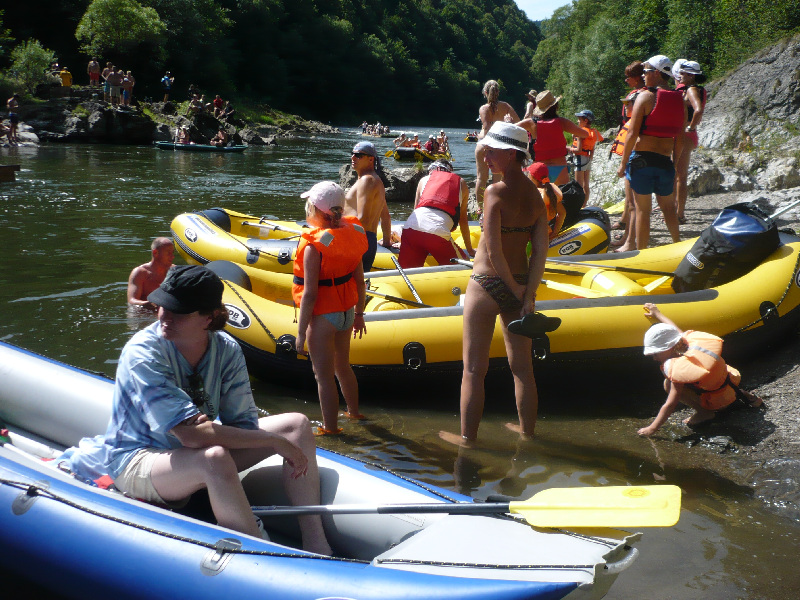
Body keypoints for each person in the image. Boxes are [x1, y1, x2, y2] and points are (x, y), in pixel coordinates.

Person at [62, 265, 331, 553]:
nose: (164, 315)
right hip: (137, 458)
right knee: (212, 457)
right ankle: (261, 553)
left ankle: (316, 542)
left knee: (297, 426)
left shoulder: (226, 349)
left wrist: (269, 438)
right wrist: (272, 442)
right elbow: (191, 436)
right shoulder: (142, 353)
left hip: (191, 453)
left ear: (209, 317)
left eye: (178, 311)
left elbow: (241, 426)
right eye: (163, 305)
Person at [440, 122, 549, 446]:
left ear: (513, 153)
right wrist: (527, 292)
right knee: (523, 370)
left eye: (492, 149)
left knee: (473, 369)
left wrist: (516, 291)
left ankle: (467, 440)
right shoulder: (536, 197)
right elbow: (540, 251)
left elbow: (492, 249)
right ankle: (527, 434)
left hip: (487, 282)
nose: (485, 154)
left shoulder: (494, 192)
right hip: (519, 284)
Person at [293, 182, 368, 435]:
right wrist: (359, 314)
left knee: (323, 377)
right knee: (343, 367)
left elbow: (310, 294)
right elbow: (359, 281)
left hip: (325, 317)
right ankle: (355, 413)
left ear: (316, 210)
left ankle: (330, 429)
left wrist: (301, 332)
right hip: (347, 312)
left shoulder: (314, 246)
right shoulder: (353, 234)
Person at [639, 303, 764, 436]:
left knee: (667, 384)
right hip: (731, 383)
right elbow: (674, 330)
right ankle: (746, 396)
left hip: (720, 402)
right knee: (715, 382)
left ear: (669, 348)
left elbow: (670, 404)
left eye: (655, 353)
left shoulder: (679, 368)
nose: (654, 358)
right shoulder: (685, 343)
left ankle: (705, 413)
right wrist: (657, 314)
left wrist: (652, 428)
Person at [616, 55, 685, 250]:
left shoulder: (645, 97)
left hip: (642, 162)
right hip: (664, 162)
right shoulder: (679, 100)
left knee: (642, 211)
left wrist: (622, 164)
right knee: (669, 209)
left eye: (646, 71)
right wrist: (674, 163)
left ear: (656, 73)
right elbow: (680, 138)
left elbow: (631, 133)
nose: (643, 75)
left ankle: (641, 253)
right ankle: (677, 246)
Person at [398, 159, 475, 268]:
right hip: (437, 232)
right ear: (450, 171)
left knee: (406, 273)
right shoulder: (461, 183)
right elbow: (463, 220)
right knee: (464, 266)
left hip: (410, 229)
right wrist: (470, 250)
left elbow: (415, 211)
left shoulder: (423, 180)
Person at [610, 61, 647, 251]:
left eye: (629, 77)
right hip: (641, 147)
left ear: (639, 77)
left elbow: (631, 124)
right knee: (632, 200)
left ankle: (630, 242)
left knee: (632, 200)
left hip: (634, 149)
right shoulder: (650, 94)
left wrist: (623, 161)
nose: (626, 80)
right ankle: (627, 235)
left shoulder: (638, 96)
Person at [344, 141, 392, 273]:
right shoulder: (375, 180)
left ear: (371, 159)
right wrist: (387, 242)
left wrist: (335, 231)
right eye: (352, 154)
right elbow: (385, 216)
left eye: (359, 155)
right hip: (367, 240)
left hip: (357, 240)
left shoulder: (367, 180)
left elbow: (363, 219)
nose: (353, 158)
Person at [475, 80, 520, 212]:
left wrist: (479, 136)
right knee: (498, 177)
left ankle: (480, 208)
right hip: (498, 146)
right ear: (498, 92)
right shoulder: (505, 106)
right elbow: (518, 122)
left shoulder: (483, 108)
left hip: (483, 144)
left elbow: (486, 128)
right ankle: (497, 206)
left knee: (481, 178)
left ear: (485, 92)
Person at [527, 90, 587, 186]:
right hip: (559, 167)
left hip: (539, 169)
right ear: (555, 106)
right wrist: (576, 136)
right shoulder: (562, 122)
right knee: (560, 198)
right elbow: (585, 134)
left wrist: (508, 121)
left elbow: (512, 128)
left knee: (539, 199)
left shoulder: (531, 123)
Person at [673, 60, 707, 224]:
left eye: (683, 73)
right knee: (679, 175)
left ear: (691, 75)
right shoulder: (694, 89)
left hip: (685, 135)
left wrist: (690, 127)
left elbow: (698, 109)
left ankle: (678, 214)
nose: (680, 76)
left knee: (680, 176)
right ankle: (676, 212)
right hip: (686, 135)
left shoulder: (692, 89)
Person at [127, 237, 175, 309]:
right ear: (155, 253)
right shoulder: (140, 273)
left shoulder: (174, 271)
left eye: (172, 253)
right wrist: (148, 304)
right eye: (168, 253)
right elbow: (132, 301)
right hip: (146, 313)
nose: (172, 257)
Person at [569, 110, 604, 206]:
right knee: (586, 186)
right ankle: (584, 206)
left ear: (585, 120)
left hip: (580, 158)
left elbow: (578, 149)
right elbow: (592, 149)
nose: (577, 121)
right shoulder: (593, 132)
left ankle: (578, 207)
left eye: (579, 119)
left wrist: (568, 148)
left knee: (578, 185)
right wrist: (589, 158)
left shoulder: (581, 133)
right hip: (587, 159)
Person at [524, 161, 566, 239]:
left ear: (532, 177)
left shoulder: (536, 194)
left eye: (528, 174)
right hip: (546, 233)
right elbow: (562, 213)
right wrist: (555, 232)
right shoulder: (551, 191)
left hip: (534, 236)